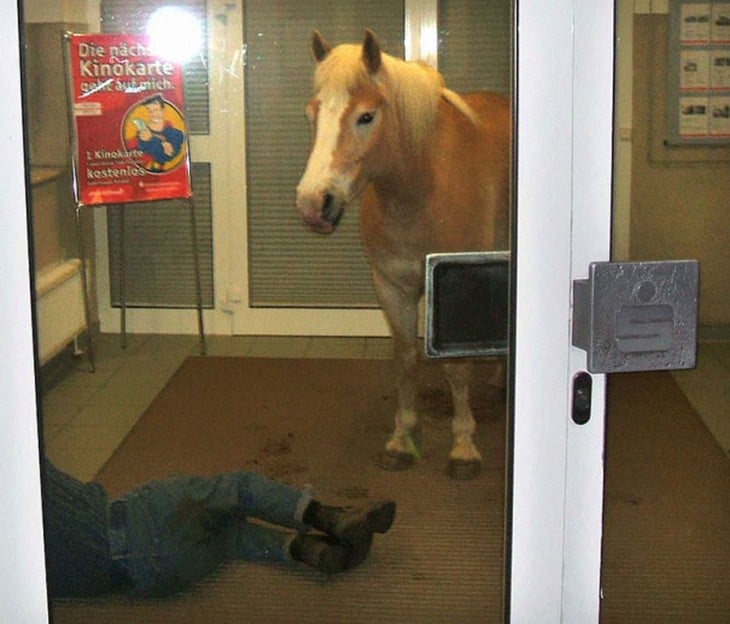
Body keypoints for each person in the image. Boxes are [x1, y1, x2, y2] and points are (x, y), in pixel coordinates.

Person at [41, 459, 396, 598]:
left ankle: (309, 551)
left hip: (152, 577)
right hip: (134, 524)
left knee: (229, 535)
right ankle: (330, 517)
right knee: (236, 489)